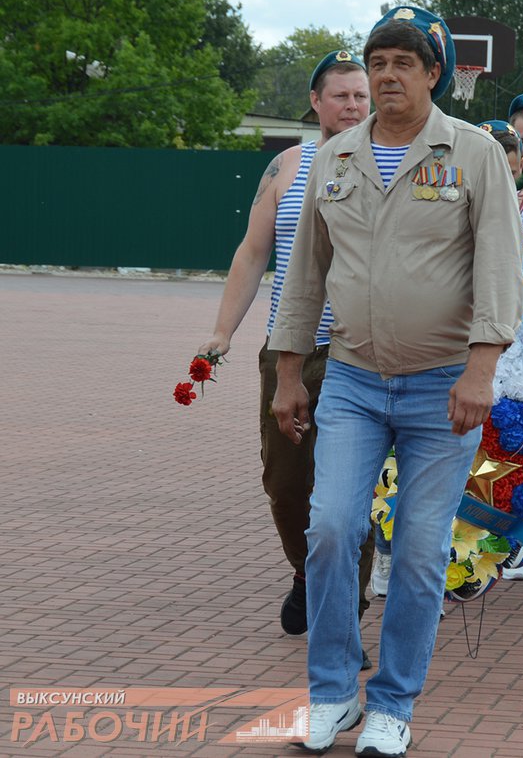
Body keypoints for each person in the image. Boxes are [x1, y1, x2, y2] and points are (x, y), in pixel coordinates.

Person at [270, 5, 523, 755]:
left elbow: (499, 269)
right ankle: (332, 694)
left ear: (434, 73)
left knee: (418, 550)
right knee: (331, 530)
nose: (385, 76)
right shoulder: (335, 157)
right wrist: (289, 374)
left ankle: (393, 703)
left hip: (444, 385)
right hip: (350, 378)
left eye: (402, 63)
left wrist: (482, 369)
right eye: (377, 63)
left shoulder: (473, 153)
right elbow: (306, 277)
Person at [197, 49, 372, 636]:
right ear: (316, 102)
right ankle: (307, 573)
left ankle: (343, 616)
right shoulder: (286, 169)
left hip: (360, 354)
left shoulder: (387, 164)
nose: (353, 105)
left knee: (347, 492)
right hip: (290, 354)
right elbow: (253, 252)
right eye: (341, 95)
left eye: (362, 95)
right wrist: (223, 332)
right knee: (286, 485)